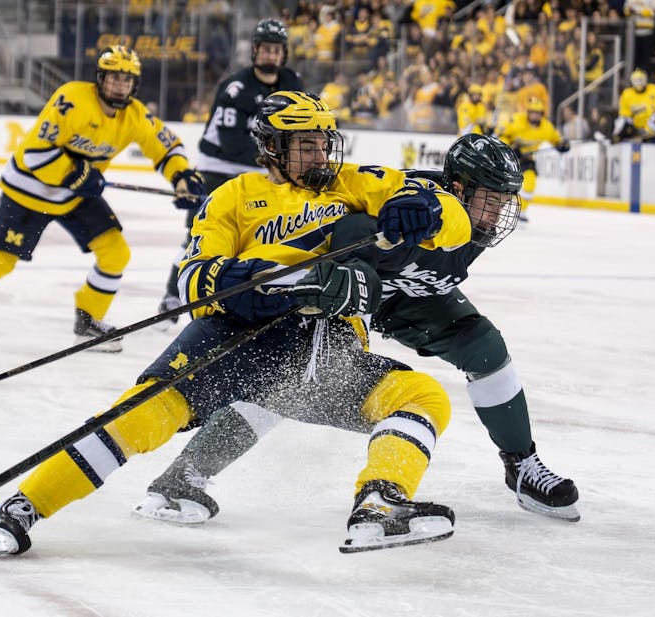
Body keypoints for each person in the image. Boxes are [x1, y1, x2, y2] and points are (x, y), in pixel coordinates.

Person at [0, 90, 471, 557]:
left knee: (422, 396)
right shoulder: (234, 197)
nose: (320, 156)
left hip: (325, 354)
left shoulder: (353, 184)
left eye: (323, 143)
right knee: (139, 418)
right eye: (306, 145)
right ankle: (21, 511)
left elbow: (455, 221)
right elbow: (196, 284)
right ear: (272, 148)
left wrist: (422, 207)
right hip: (239, 341)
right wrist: (281, 281)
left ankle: (379, 505)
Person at [133, 133, 581, 529]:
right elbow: (344, 231)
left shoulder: (469, 221)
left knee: (485, 347)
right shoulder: (412, 200)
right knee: (292, 376)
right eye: (492, 198)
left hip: (406, 295)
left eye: (505, 201)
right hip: (346, 290)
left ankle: (522, 465)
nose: (499, 211)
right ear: (459, 187)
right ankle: (186, 474)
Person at [0, 46, 205, 352]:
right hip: (28, 191)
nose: (119, 85)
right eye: (113, 77)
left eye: (127, 80)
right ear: (100, 78)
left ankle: (88, 324)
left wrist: (182, 177)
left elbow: (165, 146)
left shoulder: (134, 115)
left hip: (75, 194)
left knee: (116, 253)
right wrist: (76, 172)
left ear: (134, 84)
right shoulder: (72, 99)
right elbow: (34, 153)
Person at [157, 18, 304, 322]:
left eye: (276, 50)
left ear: (284, 53)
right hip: (219, 167)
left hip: (264, 165)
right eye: (265, 49)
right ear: (254, 51)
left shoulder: (292, 83)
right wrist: (280, 161)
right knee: (200, 234)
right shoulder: (236, 87)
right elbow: (232, 141)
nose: (271, 56)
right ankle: (173, 295)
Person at [493, 97, 569, 223]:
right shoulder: (516, 120)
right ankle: (495, 210)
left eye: (537, 113)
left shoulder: (546, 127)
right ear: (528, 112)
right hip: (508, 159)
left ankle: (521, 211)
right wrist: (510, 149)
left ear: (541, 114)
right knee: (502, 186)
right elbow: (499, 135)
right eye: (532, 112)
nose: (534, 115)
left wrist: (562, 145)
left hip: (527, 160)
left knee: (530, 183)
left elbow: (557, 140)